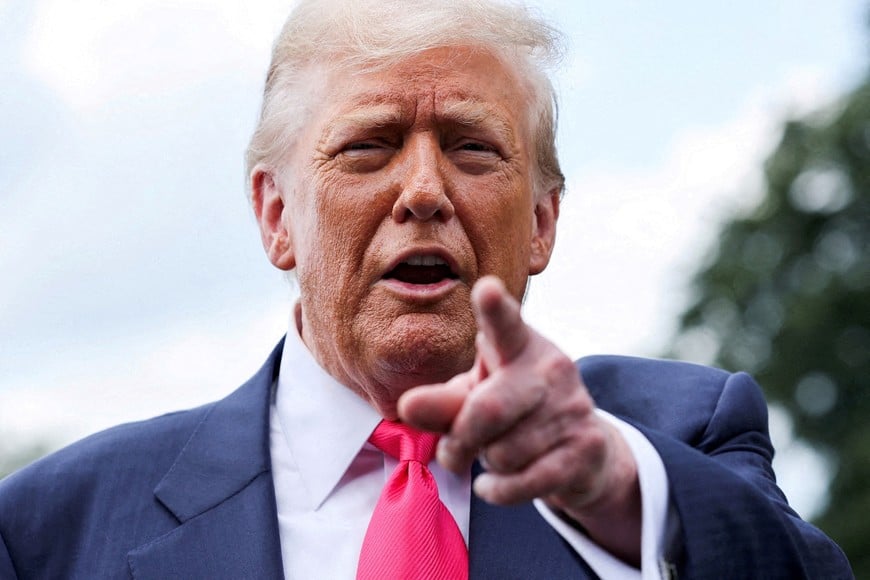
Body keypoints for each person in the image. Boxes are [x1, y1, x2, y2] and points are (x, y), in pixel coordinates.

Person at [0, 1, 853, 578]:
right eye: (367, 145)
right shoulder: (53, 527)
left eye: (473, 148)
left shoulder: (679, 440)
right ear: (275, 217)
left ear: (543, 222)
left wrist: (620, 494)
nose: (423, 190)